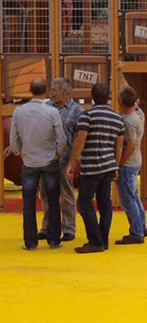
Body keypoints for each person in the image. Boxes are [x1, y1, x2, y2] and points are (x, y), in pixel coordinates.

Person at [3, 78, 66, 250]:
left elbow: (14, 141)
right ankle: (54, 240)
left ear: (30, 91)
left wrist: (20, 152)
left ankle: (30, 242)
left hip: (29, 162)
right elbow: (61, 139)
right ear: (46, 91)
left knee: (28, 203)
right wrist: (57, 154)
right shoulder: (52, 112)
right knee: (53, 201)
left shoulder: (19, 111)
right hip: (49, 160)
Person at [66, 82, 125, 254]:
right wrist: (116, 165)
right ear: (108, 97)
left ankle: (94, 240)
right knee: (105, 204)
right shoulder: (117, 118)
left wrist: (71, 162)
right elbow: (119, 146)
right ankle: (103, 240)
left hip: (91, 167)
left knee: (85, 204)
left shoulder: (87, 116)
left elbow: (80, 141)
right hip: (108, 166)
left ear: (92, 96)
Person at [38, 77, 83, 243]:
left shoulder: (78, 111)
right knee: (45, 193)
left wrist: (73, 160)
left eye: (54, 89)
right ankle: (47, 226)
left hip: (65, 160)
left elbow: (80, 137)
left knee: (67, 193)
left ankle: (69, 228)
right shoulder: (46, 107)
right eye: (51, 89)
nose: (51, 92)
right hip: (46, 158)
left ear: (66, 92)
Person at [114, 66, 147, 245]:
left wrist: (119, 163)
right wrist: (120, 73)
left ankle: (136, 232)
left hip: (128, 163)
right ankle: (142, 226)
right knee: (134, 195)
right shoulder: (138, 113)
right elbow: (127, 91)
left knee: (128, 200)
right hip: (136, 161)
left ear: (121, 103)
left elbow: (131, 145)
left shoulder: (128, 122)